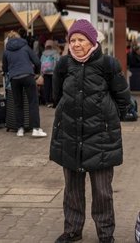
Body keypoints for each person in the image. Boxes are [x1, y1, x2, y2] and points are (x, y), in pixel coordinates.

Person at [51, 19, 131, 243]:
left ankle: (106, 234)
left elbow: (123, 99)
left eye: (81, 40)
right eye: (72, 40)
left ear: (92, 42)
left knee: (103, 192)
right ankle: (72, 231)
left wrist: (111, 121)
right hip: (70, 136)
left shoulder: (108, 65)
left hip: (101, 138)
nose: (75, 44)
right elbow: (56, 96)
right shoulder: (64, 65)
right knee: (72, 190)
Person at [2, 31, 47, 138]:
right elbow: (37, 61)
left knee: (18, 104)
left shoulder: (6, 51)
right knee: (33, 102)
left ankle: (20, 129)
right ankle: (36, 129)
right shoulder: (25, 47)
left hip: (14, 79)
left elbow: (4, 68)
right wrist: (36, 73)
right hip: (27, 76)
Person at [40, 40, 61, 106]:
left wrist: (41, 74)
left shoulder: (43, 54)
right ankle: (53, 101)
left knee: (46, 87)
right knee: (54, 87)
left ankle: (47, 101)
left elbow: (41, 63)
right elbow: (59, 61)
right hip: (54, 72)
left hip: (45, 73)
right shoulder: (55, 53)